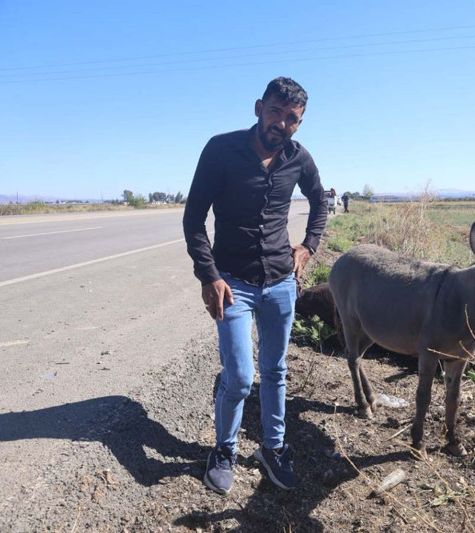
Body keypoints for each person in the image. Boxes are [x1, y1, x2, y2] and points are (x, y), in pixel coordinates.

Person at [183, 77, 327, 494]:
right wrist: (209, 276)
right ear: (259, 108)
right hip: (233, 283)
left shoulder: (299, 158)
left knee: (275, 370)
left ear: (299, 123)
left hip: (281, 283)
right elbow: (194, 219)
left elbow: (320, 201)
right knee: (241, 377)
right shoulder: (221, 149)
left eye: (291, 118)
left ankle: (273, 448)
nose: (281, 124)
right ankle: (224, 450)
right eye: (275, 112)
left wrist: (308, 246)